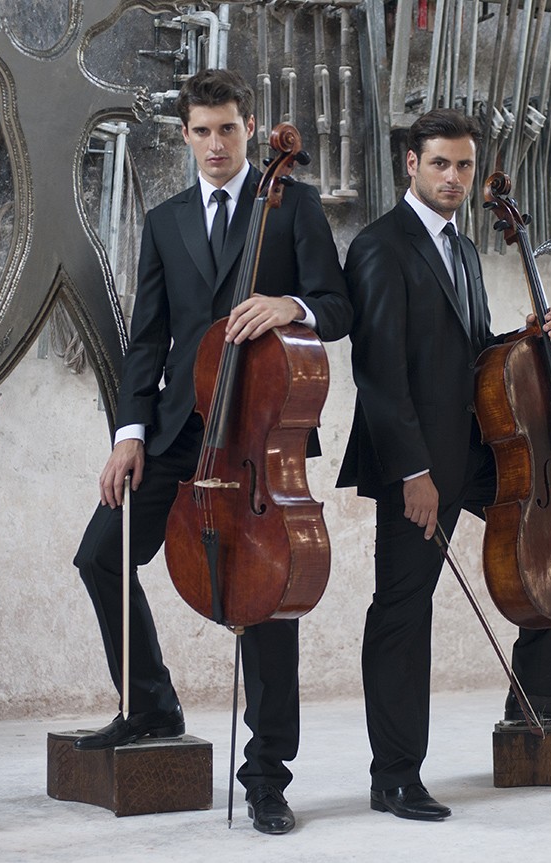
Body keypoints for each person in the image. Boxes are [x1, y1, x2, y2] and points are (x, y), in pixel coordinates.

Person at [73, 68, 352, 835]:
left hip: (257, 431)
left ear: (250, 127)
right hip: (178, 429)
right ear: (185, 135)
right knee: (100, 555)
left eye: (228, 128)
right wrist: (129, 435)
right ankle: (151, 703)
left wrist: (289, 304)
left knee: (268, 596)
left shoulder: (292, 205)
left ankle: (267, 776)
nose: (216, 144)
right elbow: (148, 340)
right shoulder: (165, 222)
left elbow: (338, 307)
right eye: (202, 131)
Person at [337, 108, 551, 822]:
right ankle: (395, 776)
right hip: (419, 463)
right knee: (403, 609)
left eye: (463, 165)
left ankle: (541, 694)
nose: (454, 177)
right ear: (411, 165)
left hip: (476, 448)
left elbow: (471, 351)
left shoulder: (461, 249)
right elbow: (379, 374)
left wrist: (523, 336)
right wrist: (411, 473)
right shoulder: (378, 246)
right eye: (440, 164)